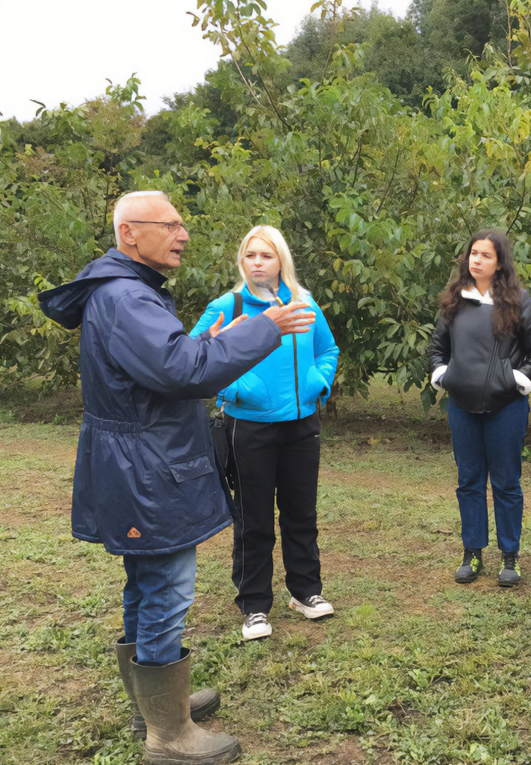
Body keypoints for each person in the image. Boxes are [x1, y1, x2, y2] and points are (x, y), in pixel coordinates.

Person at [38, 191, 314, 765]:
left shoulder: (125, 293)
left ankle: (153, 703)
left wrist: (212, 339)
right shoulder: (125, 297)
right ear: (130, 234)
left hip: (138, 460)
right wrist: (262, 329)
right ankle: (169, 735)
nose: (183, 234)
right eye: (171, 224)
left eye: (182, 223)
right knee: (166, 585)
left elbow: (165, 359)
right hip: (146, 468)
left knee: (146, 581)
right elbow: (180, 369)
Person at [190, 225, 339, 642]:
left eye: (266, 255)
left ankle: (305, 592)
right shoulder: (227, 305)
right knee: (253, 518)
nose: (258, 262)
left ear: (281, 261)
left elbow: (328, 350)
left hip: (301, 424)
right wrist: (237, 389)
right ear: (242, 261)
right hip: (249, 426)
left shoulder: (305, 304)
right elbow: (196, 358)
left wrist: (317, 383)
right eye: (251, 255)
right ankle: (254, 605)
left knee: (301, 513)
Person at [428, 230, 531, 587]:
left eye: (485, 255)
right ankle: (472, 552)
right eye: (473, 254)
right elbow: (437, 348)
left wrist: (516, 379)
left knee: (506, 482)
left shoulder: (518, 301)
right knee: (468, 481)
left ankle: (509, 555)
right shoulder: (455, 300)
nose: (476, 260)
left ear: (500, 264)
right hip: (462, 406)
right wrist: (442, 374)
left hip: (506, 407)